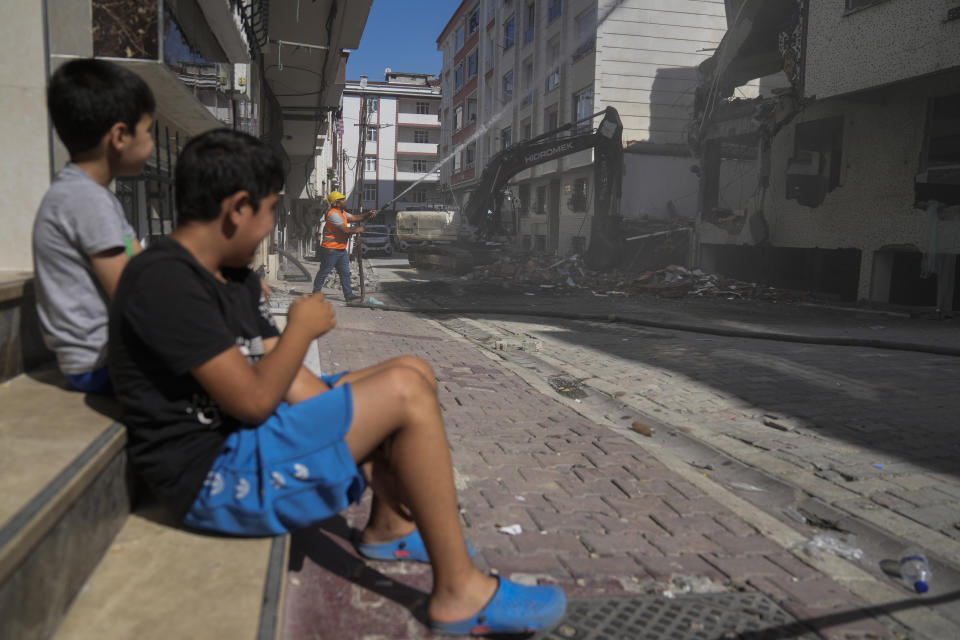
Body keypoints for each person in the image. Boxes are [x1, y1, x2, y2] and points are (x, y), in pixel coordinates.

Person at [108, 129, 566, 636]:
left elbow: (289, 385)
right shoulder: (163, 279)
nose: (269, 227)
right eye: (270, 212)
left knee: (412, 371)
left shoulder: (229, 275)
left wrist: (358, 424)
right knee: (405, 396)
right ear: (238, 208)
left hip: (245, 436)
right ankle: (459, 591)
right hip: (211, 475)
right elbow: (257, 400)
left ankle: (390, 524)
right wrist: (300, 333)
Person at [33, 58, 155, 394]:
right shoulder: (86, 199)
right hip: (101, 364)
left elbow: (142, 265)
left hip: (106, 358)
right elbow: (132, 294)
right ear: (119, 136)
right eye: (148, 131)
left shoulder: (92, 196)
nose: (152, 144)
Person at [312, 191, 375, 301]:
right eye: (342, 199)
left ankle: (348, 296)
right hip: (330, 250)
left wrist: (367, 214)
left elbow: (356, 218)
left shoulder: (342, 213)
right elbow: (345, 230)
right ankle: (316, 293)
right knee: (324, 272)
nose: (345, 200)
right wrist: (358, 230)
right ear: (336, 203)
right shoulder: (333, 215)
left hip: (341, 250)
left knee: (345, 273)